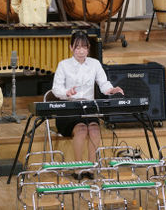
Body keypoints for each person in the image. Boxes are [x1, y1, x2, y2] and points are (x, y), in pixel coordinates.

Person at [52, 31, 123, 179]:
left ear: (88, 48)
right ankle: (78, 168)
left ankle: (91, 168)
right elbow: (56, 89)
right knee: (82, 129)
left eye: (84, 47)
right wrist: (67, 92)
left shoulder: (95, 64)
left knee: (95, 129)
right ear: (71, 48)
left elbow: (103, 83)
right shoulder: (63, 65)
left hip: (89, 107)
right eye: (77, 47)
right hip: (70, 108)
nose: (81, 51)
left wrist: (111, 89)